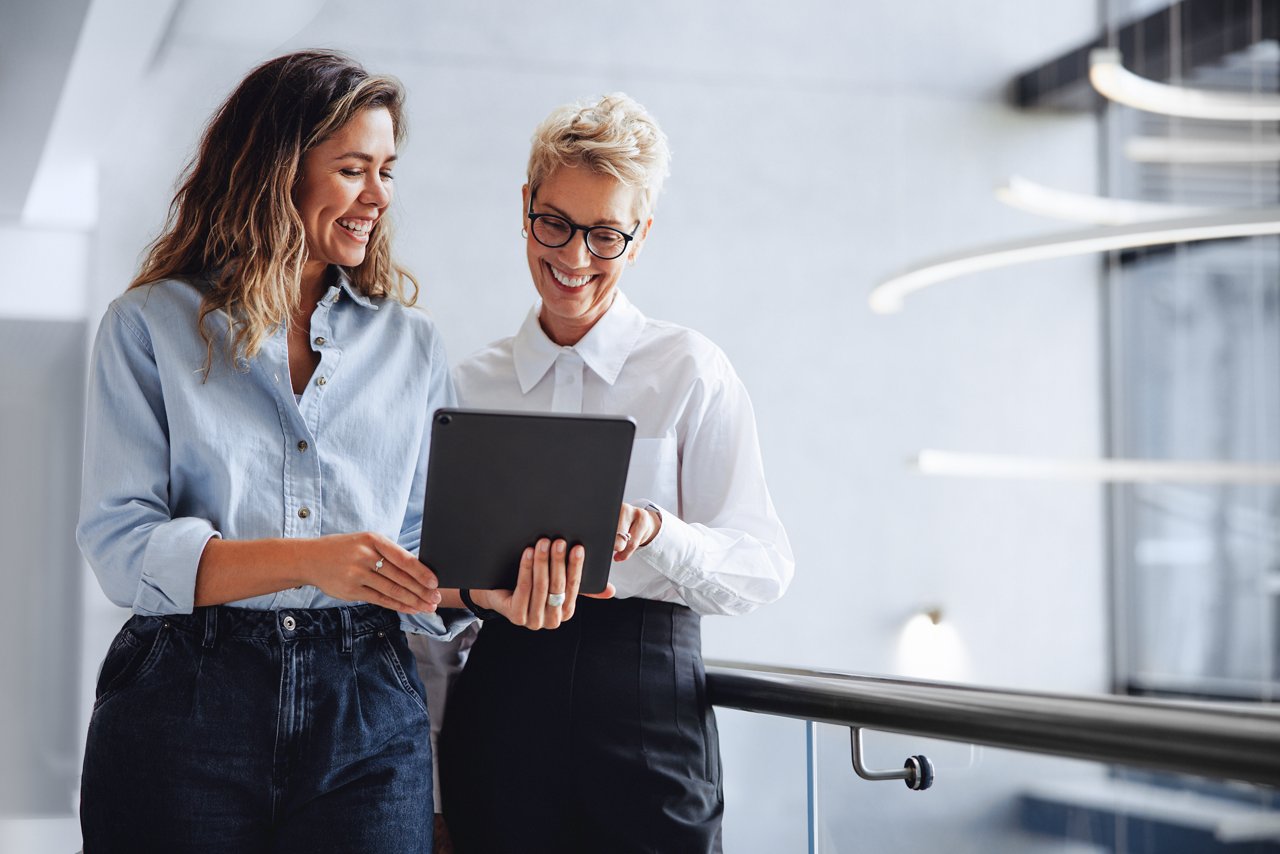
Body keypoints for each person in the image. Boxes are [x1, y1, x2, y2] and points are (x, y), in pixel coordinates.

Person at [76, 50, 587, 854]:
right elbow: (122, 545)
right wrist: (311, 560)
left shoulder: (411, 345)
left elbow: (419, 548)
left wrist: (488, 593)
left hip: (368, 707)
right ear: (275, 172)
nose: (379, 198)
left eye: (386, 170)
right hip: (184, 702)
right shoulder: (147, 326)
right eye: (353, 169)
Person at [430, 93, 795, 854]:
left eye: (604, 235)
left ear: (641, 237)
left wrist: (658, 532)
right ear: (525, 206)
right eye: (555, 223)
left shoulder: (691, 369)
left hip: (648, 694)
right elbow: (426, 583)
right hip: (500, 699)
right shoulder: (465, 387)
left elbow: (762, 570)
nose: (572, 258)